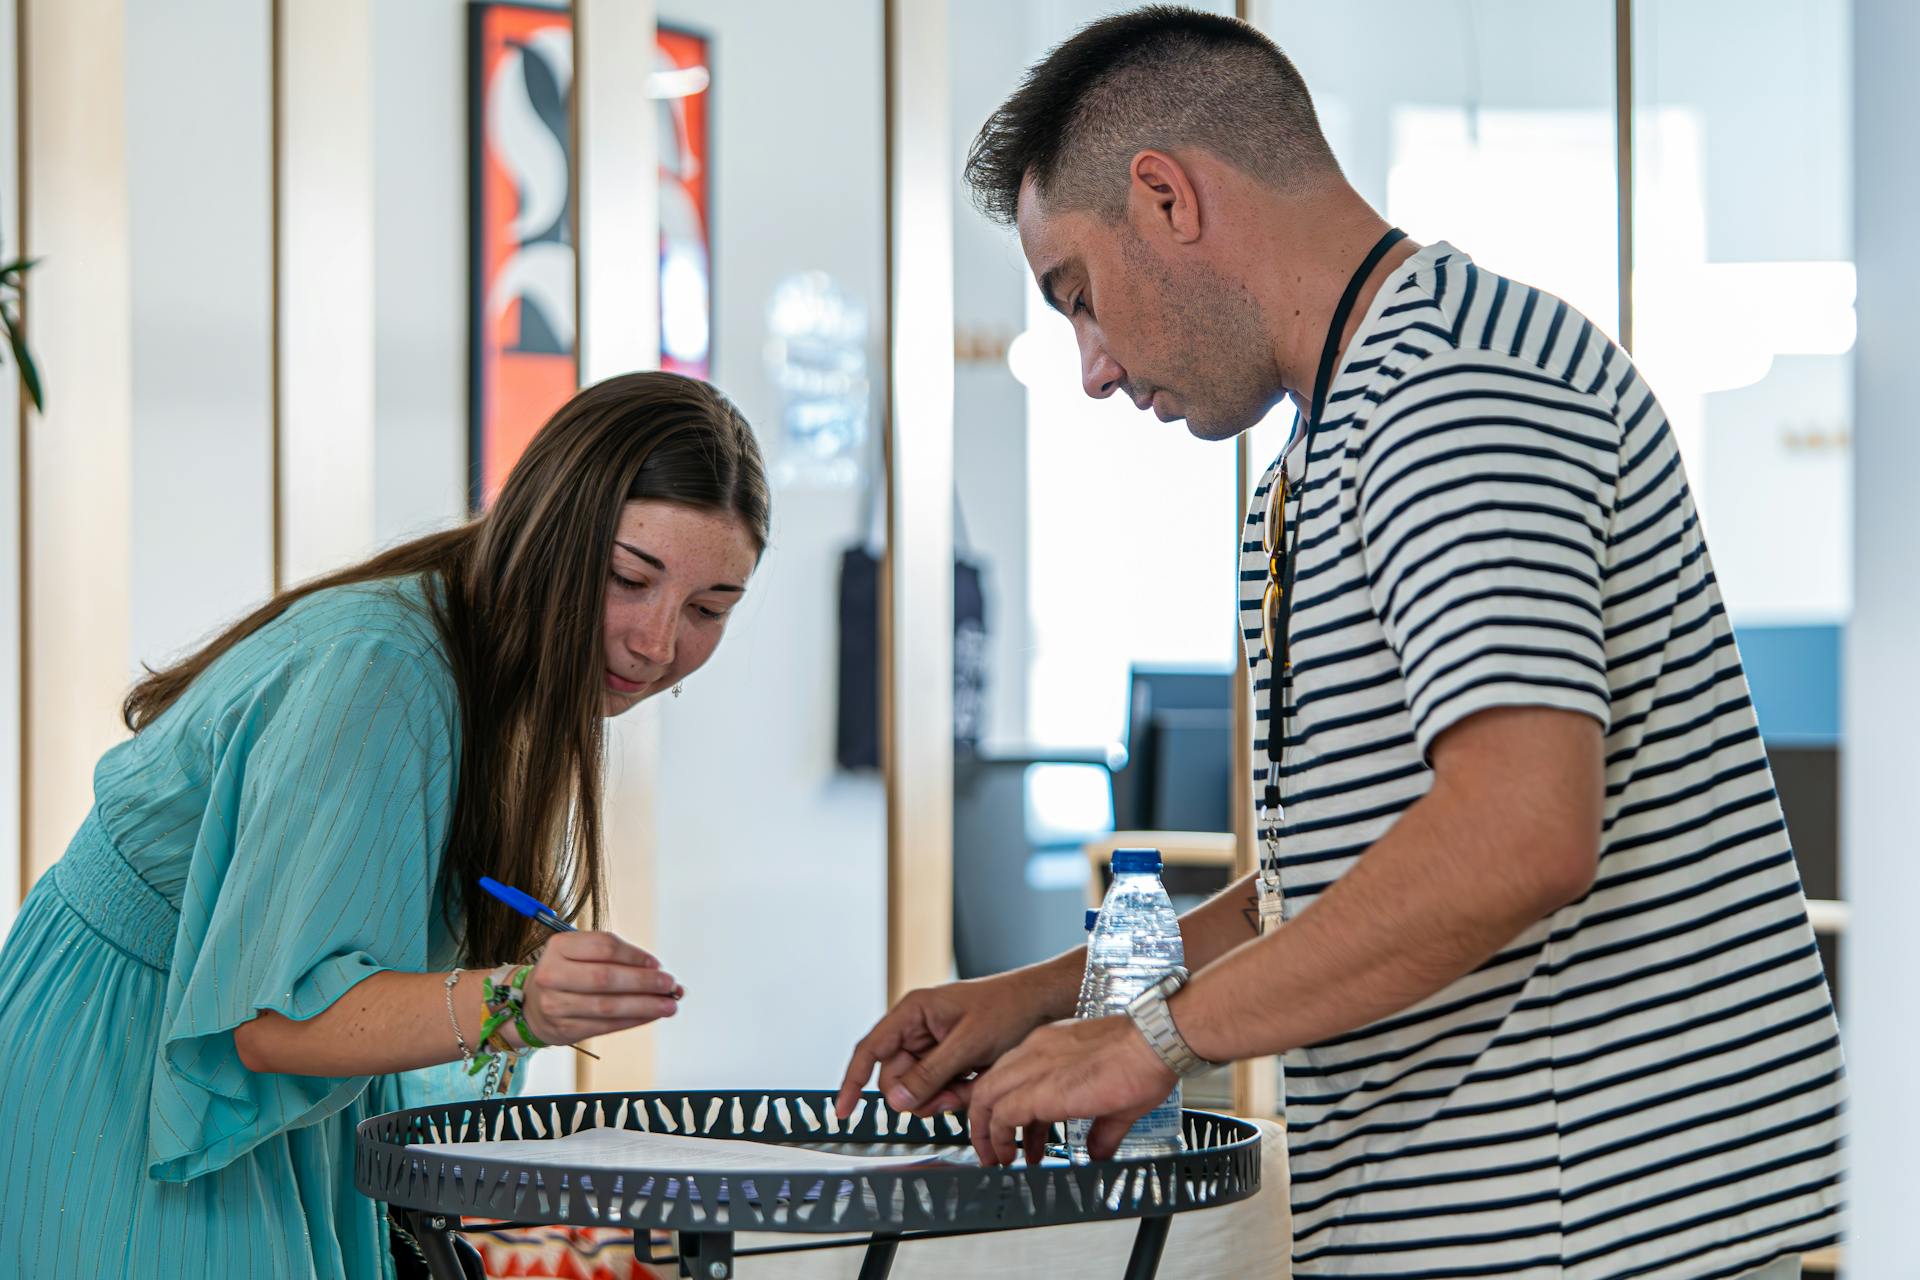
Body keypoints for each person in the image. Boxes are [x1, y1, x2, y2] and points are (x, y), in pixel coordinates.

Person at [838, 9, 1842, 1277]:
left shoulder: (1455, 384)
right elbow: (1345, 871)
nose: (1090, 367)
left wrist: (1154, 1032)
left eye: (1079, 298)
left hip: (1592, 1221)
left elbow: (1520, 826)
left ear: (1164, 198)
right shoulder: (1345, 427)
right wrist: (1048, 995)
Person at [0, 372, 769, 1278]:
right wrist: (516, 1001)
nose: (656, 641)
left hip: (248, 1084)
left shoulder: (501, 667)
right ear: (548, 533)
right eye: (627, 579)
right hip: (132, 1068)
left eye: (710, 609)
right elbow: (272, 1022)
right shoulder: (384, 671)